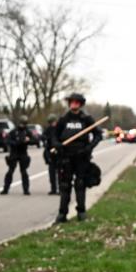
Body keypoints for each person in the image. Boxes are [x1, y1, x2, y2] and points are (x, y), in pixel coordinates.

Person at [52, 93, 102, 223]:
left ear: (80, 104)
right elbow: (54, 136)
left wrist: (89, 148)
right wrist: (57, 145)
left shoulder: (86, 119)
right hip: (66, 157)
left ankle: (81, 212)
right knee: (65, 186)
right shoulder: (63, 119)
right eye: (71, 102)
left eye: (76, 102)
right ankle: (62, 214)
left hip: (81, 156)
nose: (73, 104)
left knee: (80, 184)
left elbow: (98, 135)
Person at [1, 115, 35, 195]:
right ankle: (5, 189)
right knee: (10, 171)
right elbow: (7, 140)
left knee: (24, 172)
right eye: (21, 123)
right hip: (14, 152)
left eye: (24, 124)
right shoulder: (14, 131)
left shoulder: (27, 132)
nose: (22, 125)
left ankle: (26, 190)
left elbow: (34, 140)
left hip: (23, 152)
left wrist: (28, 140)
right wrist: (15, 143)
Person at [42, 113, 59, 195]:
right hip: (51, 153)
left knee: (60, 173)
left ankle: (60, 189)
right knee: (52, 173)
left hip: (59, 153)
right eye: (51, 123)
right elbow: (43, 137)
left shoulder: (60, 128)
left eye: (53, 122)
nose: (52, 124)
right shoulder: (48, 130)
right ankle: (53, 189)